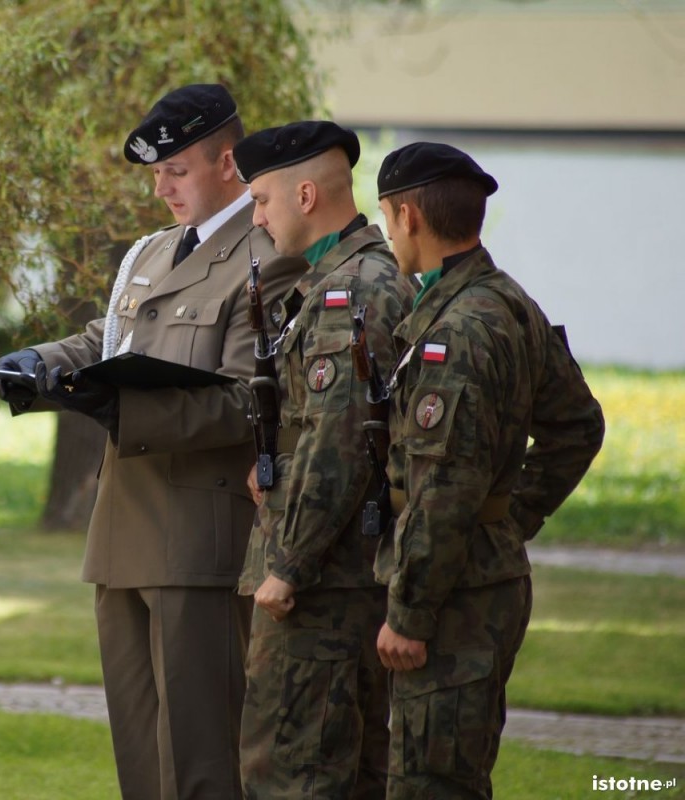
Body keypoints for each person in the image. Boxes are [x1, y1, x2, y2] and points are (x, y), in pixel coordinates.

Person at [0, 84, 307, 799]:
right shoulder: (150, 253)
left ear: (227, 162)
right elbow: (104, 343)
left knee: (199, 761)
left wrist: (121, 410)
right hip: (123, 533)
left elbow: (247, 400)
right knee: (140, 759)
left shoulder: (267, 256)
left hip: (197, 537)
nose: (162, 187)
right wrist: (41, 364)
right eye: (156, 173)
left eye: (177, 170)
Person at [373, 142, 605, 799]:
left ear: (409, 216)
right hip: (482, 574)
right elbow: (579, 426)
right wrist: (509, 517)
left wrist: (411, 614)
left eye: (388, 217)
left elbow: (443, 487)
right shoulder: (507, 301)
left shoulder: (460, 332)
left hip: (455, 595)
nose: (389, 232)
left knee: (431, 784)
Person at [231, 121, 416, 799]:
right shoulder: (347, 279)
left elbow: (339, 444)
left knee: (292, 772)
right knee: (353, 769)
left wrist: (287, 566)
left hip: (321, 590)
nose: (257, 218)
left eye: (262, 201)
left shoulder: (351, 291)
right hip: (345, 576)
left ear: (305, 194)